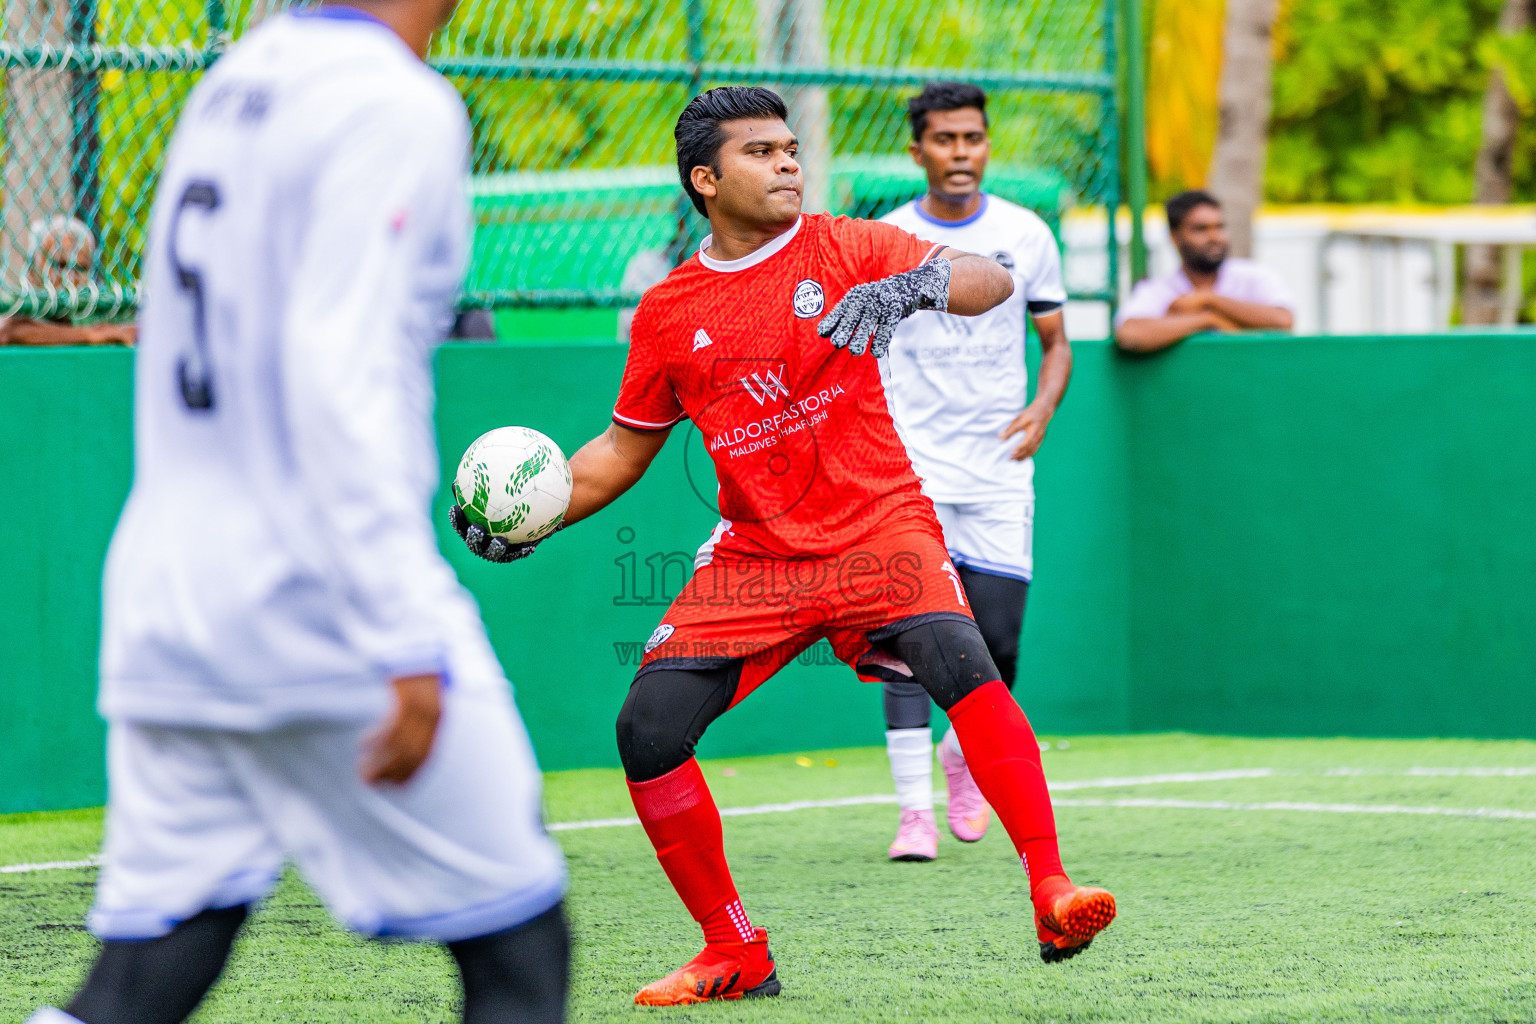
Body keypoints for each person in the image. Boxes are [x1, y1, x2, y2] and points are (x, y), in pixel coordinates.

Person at [451, 85, 1117, 1006]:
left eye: (791, 148)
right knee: (646, 732)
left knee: (964, 662)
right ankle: (735, 950)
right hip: (756, 557)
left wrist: (913, 283)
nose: (789, 164)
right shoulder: (668, 311)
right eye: (762, 153)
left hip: (881, 526)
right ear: (705, 179)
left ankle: (1051, 889)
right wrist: (531, 519)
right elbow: (618, 453)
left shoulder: (847, 245)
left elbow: (989, 280)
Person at [27, 3, 570, 1023]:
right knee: (519, 946)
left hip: (170, 598)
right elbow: (342, 380)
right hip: (314, 599)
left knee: (147, 973)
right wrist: (402, 631)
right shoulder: (393, 104)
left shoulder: (235, 82)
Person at [876, 82, 1071, 862]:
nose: (962, 153)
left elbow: (1056, 344)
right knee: (903, 642)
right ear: (917, 149)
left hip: (997, 469)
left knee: (997, 645)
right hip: (909, 473)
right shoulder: (886, 238)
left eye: (974, 139)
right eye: (946, 139)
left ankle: (961, 756)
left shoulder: (1027, 235)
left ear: (987, 146)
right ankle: (912, 813)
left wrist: (1043, 408)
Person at [1114, 189, 1295, 353]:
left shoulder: (1253, 275)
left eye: (1219, 227)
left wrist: (1209, 299)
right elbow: (1130, 335)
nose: (1214, 237)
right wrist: (1208, 320)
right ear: (1174, 236)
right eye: (1200, 229)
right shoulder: (1157, 289)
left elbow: (1283, 321)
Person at [0, 216, 136, 346]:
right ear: (31, 267)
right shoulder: (22, 302)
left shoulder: (95, 304)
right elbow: (8, 331)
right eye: (60, 265)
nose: (70, 277)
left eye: (80, 267)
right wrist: (92, 335)